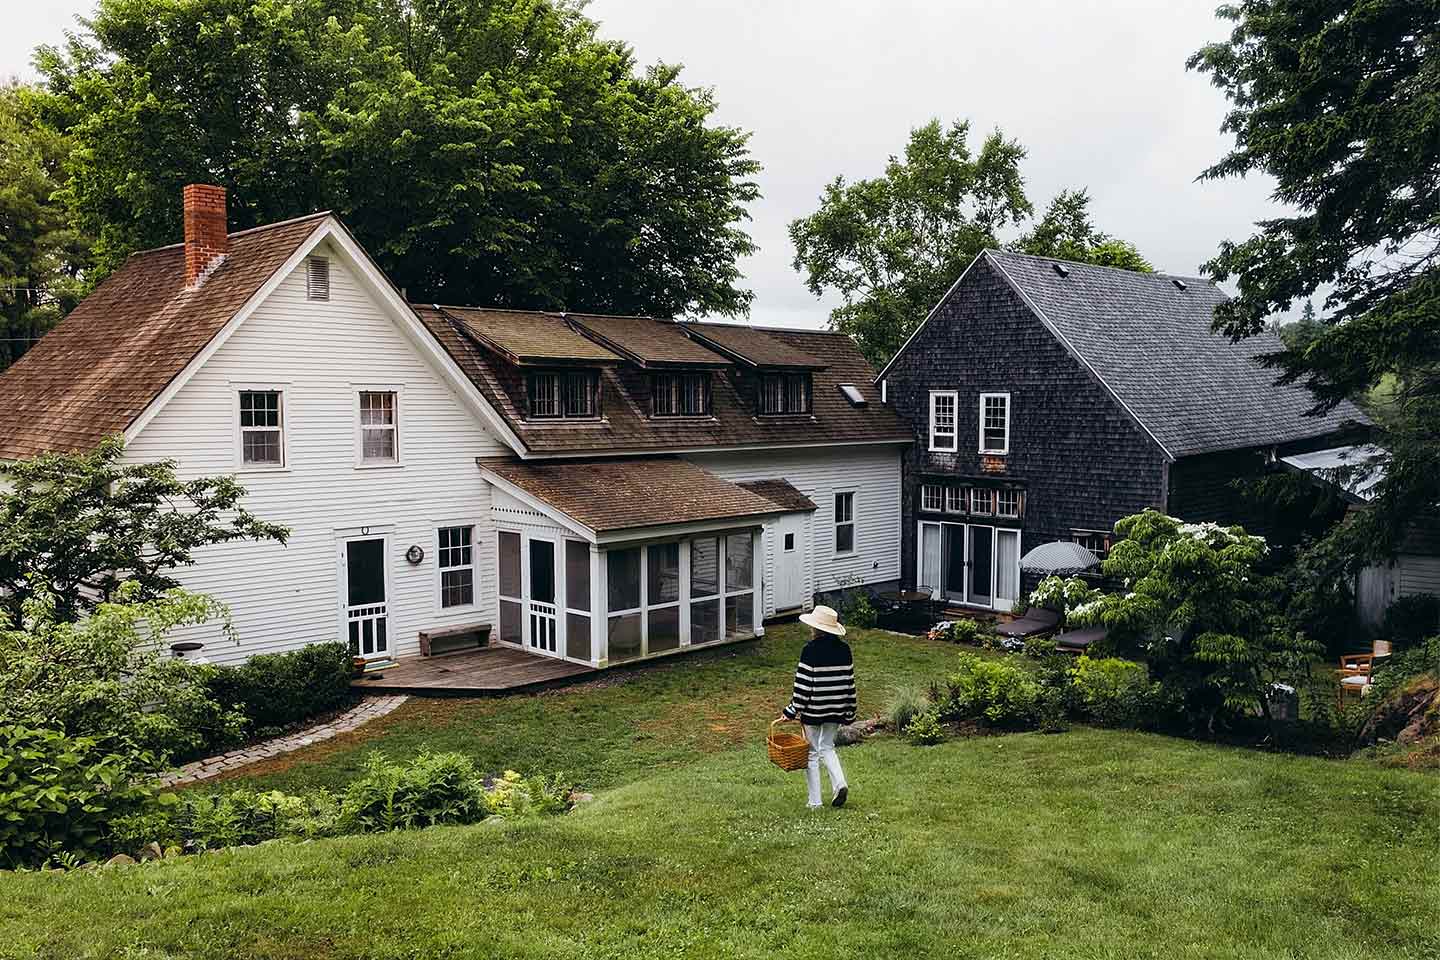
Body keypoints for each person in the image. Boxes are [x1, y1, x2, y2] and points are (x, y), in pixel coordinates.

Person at [778, 604, 855, 809]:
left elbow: (803, 686)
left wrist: (792, 710)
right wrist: (850, 710)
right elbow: (849, 681)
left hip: (813, 710)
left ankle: (815, 802)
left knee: (811, 753)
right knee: (827, 747)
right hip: (837, 708)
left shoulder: (809, 651)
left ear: (816, 628)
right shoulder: (845, 649)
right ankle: (840, 783)